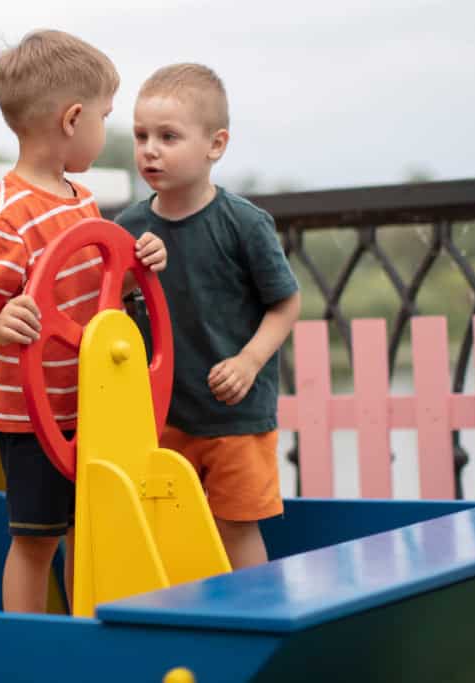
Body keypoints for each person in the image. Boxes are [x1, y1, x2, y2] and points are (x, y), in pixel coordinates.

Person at [0, 30, 167, 613]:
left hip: (90, 401)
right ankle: (26, 648)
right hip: (34, 413)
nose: (107, 129)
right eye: (105, 115)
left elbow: (91, 290)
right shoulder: (9, 212)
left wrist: (134, 271)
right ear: (73, 119)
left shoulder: (80, 198)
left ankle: (80, 631)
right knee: (36, 538)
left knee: (87, 529)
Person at [117, 63, 301, 570]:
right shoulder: (129, 227)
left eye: (168, 136)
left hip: (235, 416)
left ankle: (257, 622)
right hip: (163, 415)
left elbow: (286, 302)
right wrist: (130, 277)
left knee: (237, 528)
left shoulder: (243, 223)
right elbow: (106, 309)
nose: (150, 149)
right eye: (141, 135)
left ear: (215, 145)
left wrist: (248, 362)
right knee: (166, 531)